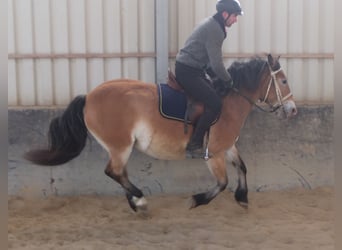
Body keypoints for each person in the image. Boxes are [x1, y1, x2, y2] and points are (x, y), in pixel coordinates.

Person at [175, 0, 243, 158]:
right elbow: (217, 64)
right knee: (215, 103)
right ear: (225, 14)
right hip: (188, 72)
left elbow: (209, 61)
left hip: (195, 68)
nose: (236, 20)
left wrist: (216, 76)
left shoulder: (212, 23)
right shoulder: (215, 30)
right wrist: (228, 81)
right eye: (235, 16)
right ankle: (195, 144)